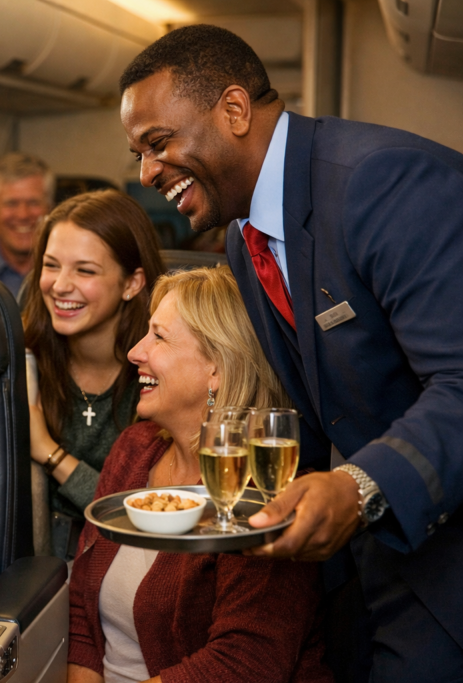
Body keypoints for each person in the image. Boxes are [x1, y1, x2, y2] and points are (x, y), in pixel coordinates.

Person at [119, 24, 463, 680]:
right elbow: (314, 416)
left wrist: (358, 487)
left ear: (235, 110)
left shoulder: (378, 183)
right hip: (368, 565)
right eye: (137, 153)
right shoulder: (243, 237)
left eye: (158, 144)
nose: (145, 173)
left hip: (444, 561)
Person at [69, 266, 332, 683]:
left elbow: (245, 662)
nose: (135, 352)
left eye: (158, 336)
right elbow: (81, 613)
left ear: (217, 368)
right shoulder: (135, 450)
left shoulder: (266, 486)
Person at [22, 190, 165, 559]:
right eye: (51, 266)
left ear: (132, 283)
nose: (60, 285)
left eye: (84, 270)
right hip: (34, 569)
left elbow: (142, 512)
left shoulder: (161, 372)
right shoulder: (20, 360)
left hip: (130, 560)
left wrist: (49, 453)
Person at [0, 152, 55, 297]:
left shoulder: (68, 270)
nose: (23, 215)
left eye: (33, 203)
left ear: (50, 209)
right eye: (11, 203)